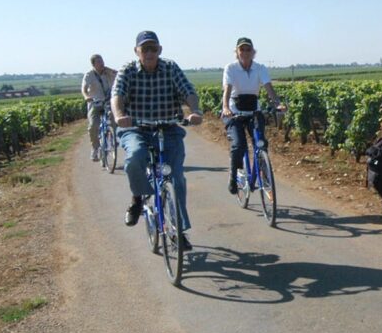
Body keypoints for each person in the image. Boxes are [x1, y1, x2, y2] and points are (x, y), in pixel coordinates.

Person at [111, 31, 203, 248]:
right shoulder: (128, 70)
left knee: (176, 178)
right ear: (137, 52)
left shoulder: (170, 68)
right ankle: (138, 198)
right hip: (137, 129)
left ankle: (178, 229)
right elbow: (117, 95)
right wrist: (118, 115)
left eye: (154, 48)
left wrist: (195, 110)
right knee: (134, 159)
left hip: (168, 128)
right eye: (145, 49)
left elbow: (188, 90)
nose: (150, 52)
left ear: (160, 50)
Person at [221, 37, 284, 194]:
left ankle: (264, 174)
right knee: (238, 145)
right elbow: (227, 89)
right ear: (236, 52)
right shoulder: (231, 68)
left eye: (248, 49)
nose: (245, 52)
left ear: (253, 52)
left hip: (253, 110)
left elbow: (269, 88)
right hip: (235, 111)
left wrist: (277, 104)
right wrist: (226, 107)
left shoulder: (260, 68)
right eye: (242, 49)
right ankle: (233, 175)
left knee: (261, 143)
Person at [81, 54, 117, 161]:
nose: (102, 63)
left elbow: (119, 75)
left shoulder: (108, 72)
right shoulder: (89, 75)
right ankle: (95, 148)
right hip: (95, 103)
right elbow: (84, 88)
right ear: (93, 64)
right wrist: (86, 96)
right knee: (93, 126)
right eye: (99, 62)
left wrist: (110, 70)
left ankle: (114, 138)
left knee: (114, 116)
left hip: (107, 102)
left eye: (102, 61)